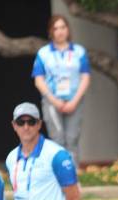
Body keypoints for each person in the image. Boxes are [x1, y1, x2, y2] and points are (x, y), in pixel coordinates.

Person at [32, 15, 91, 164]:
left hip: (74, 101)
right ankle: (59, 173)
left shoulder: (79, 51)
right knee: (57, 138)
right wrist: (55, 101)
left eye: (63, 27)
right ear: (50, 31)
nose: (60, 31)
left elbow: (85, 77)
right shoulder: (43, 53)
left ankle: (73, 173)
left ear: (68, 29)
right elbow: (39, 80)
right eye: (56, 28)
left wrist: (74, 101)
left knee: (72, 138)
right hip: (52, 102)